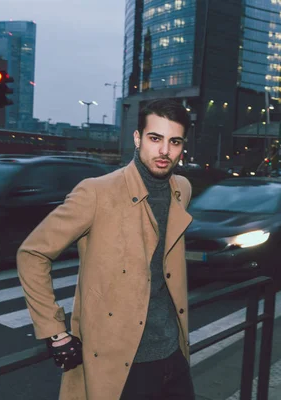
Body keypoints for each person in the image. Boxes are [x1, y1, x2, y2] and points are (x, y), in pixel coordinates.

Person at [17, 99, 195, 400]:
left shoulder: (182, 189)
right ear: (138, 138)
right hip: (124, 364)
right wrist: (55, 332)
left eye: (174, 142)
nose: (165, 151)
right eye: (155, 138)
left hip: (173, 354)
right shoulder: (97, 193)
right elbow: (32, 253)